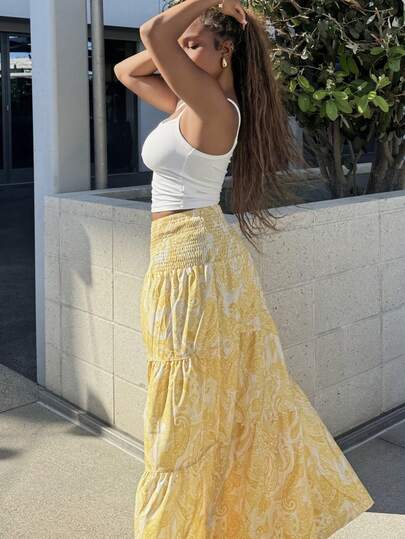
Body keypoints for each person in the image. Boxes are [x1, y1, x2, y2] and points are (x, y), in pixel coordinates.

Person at [115, 1, 375, 537]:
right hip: (184, 256)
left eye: (195, 45)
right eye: (182, 45)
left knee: (187, 400)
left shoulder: (215, 106)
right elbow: (126, 71)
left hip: (194, 260)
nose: (181, 52)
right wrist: (189, 41)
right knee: (200, 396)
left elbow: (150, 32)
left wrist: (206, 4)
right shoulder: (190, 101)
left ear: (225, 52)